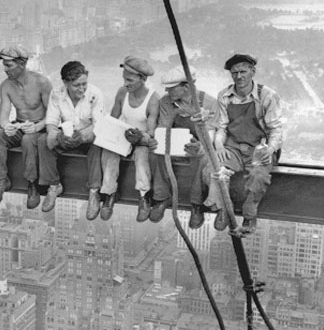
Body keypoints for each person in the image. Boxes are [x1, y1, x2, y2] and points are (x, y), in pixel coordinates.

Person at [206, 54, 282, 235]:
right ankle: (224, 209)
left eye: (243, 72)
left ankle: (249, 214)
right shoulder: (224, 96)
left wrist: (270, 150)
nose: (239, 77)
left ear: (252, 72)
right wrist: (219, 146)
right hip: (234, 147)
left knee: (258, 176)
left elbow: (275, 130)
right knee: (215, 169)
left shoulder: (267, 96)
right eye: (234, 73)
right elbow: (221, 127)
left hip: (259, 148)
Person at [148, 66, 218, 228]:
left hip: (200, 144)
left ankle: (196, 204)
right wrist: (157, 140)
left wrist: (200, 146)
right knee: (157, 152)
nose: (167, 91)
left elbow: (211, 136)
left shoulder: (209, 103)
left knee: (202, 158)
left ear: (186, 87)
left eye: (171, 88)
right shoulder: (166, 102)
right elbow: (164, 127)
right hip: (174, 141)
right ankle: (161, 197)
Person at [39, 61, 109, 217]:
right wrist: (58, 135)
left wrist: (83, 136)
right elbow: (51, 121)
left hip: (87, 136)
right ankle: (54, 184)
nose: (82, 89)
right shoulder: (57, 94)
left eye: (84, 84)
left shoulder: (95, 94)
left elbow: (99, 125)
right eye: (77, 85)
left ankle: (94, 192)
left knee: (98, 145)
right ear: (65, 82)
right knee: (43, 141)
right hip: (66, 134)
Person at [0, 46, 52, 208]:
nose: (5, 69)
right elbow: (3, 114)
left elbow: (52, 114)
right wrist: (6, 126)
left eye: (9, 65)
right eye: (4, 65)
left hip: (39, 127)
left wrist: (37, 127)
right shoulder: (6, 86)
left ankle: (32, 184)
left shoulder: (42, 82)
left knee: (29, 140)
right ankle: (2, 180)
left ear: (22, 65)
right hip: (20, 124)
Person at [101, 56, 159, 222]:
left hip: (140, 140)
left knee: (141, 157)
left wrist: (140, 137)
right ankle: (110, 193)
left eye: (130, 80)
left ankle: (143, 196)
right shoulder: (122, 92)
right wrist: (109, 134)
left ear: (143, 79)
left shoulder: (153, 100)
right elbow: (113, 118)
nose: (126, 83)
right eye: (124, 79)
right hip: (123, 136)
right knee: (109, 152)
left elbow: (151, 131)